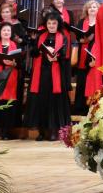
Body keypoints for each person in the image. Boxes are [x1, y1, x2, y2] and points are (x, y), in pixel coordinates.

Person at [25, 12, 71, 141]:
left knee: (54, 102)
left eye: (54, 23)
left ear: (58, 24)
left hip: (55, 73)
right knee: (41, 101)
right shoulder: (40, 36)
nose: (51, 25)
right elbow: (33, 53)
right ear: (46, 24)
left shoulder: (63, 37)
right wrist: (38, 48)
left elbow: (64, 55)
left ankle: (53, 131)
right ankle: (41, 131)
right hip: (41, 73)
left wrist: (57, 57)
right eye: (49, 23)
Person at [72, 0, 99, 115]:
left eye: (94, 7)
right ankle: (80, 107)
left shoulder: (101, 22)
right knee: (82, 81)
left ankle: (92, 108)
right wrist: (82, 40)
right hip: (83, 52)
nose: (92, 9)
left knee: (92, 81)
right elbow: (77, 37)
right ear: (87, 10)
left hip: (95, 53)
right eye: (90, 7)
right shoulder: (82, 21)